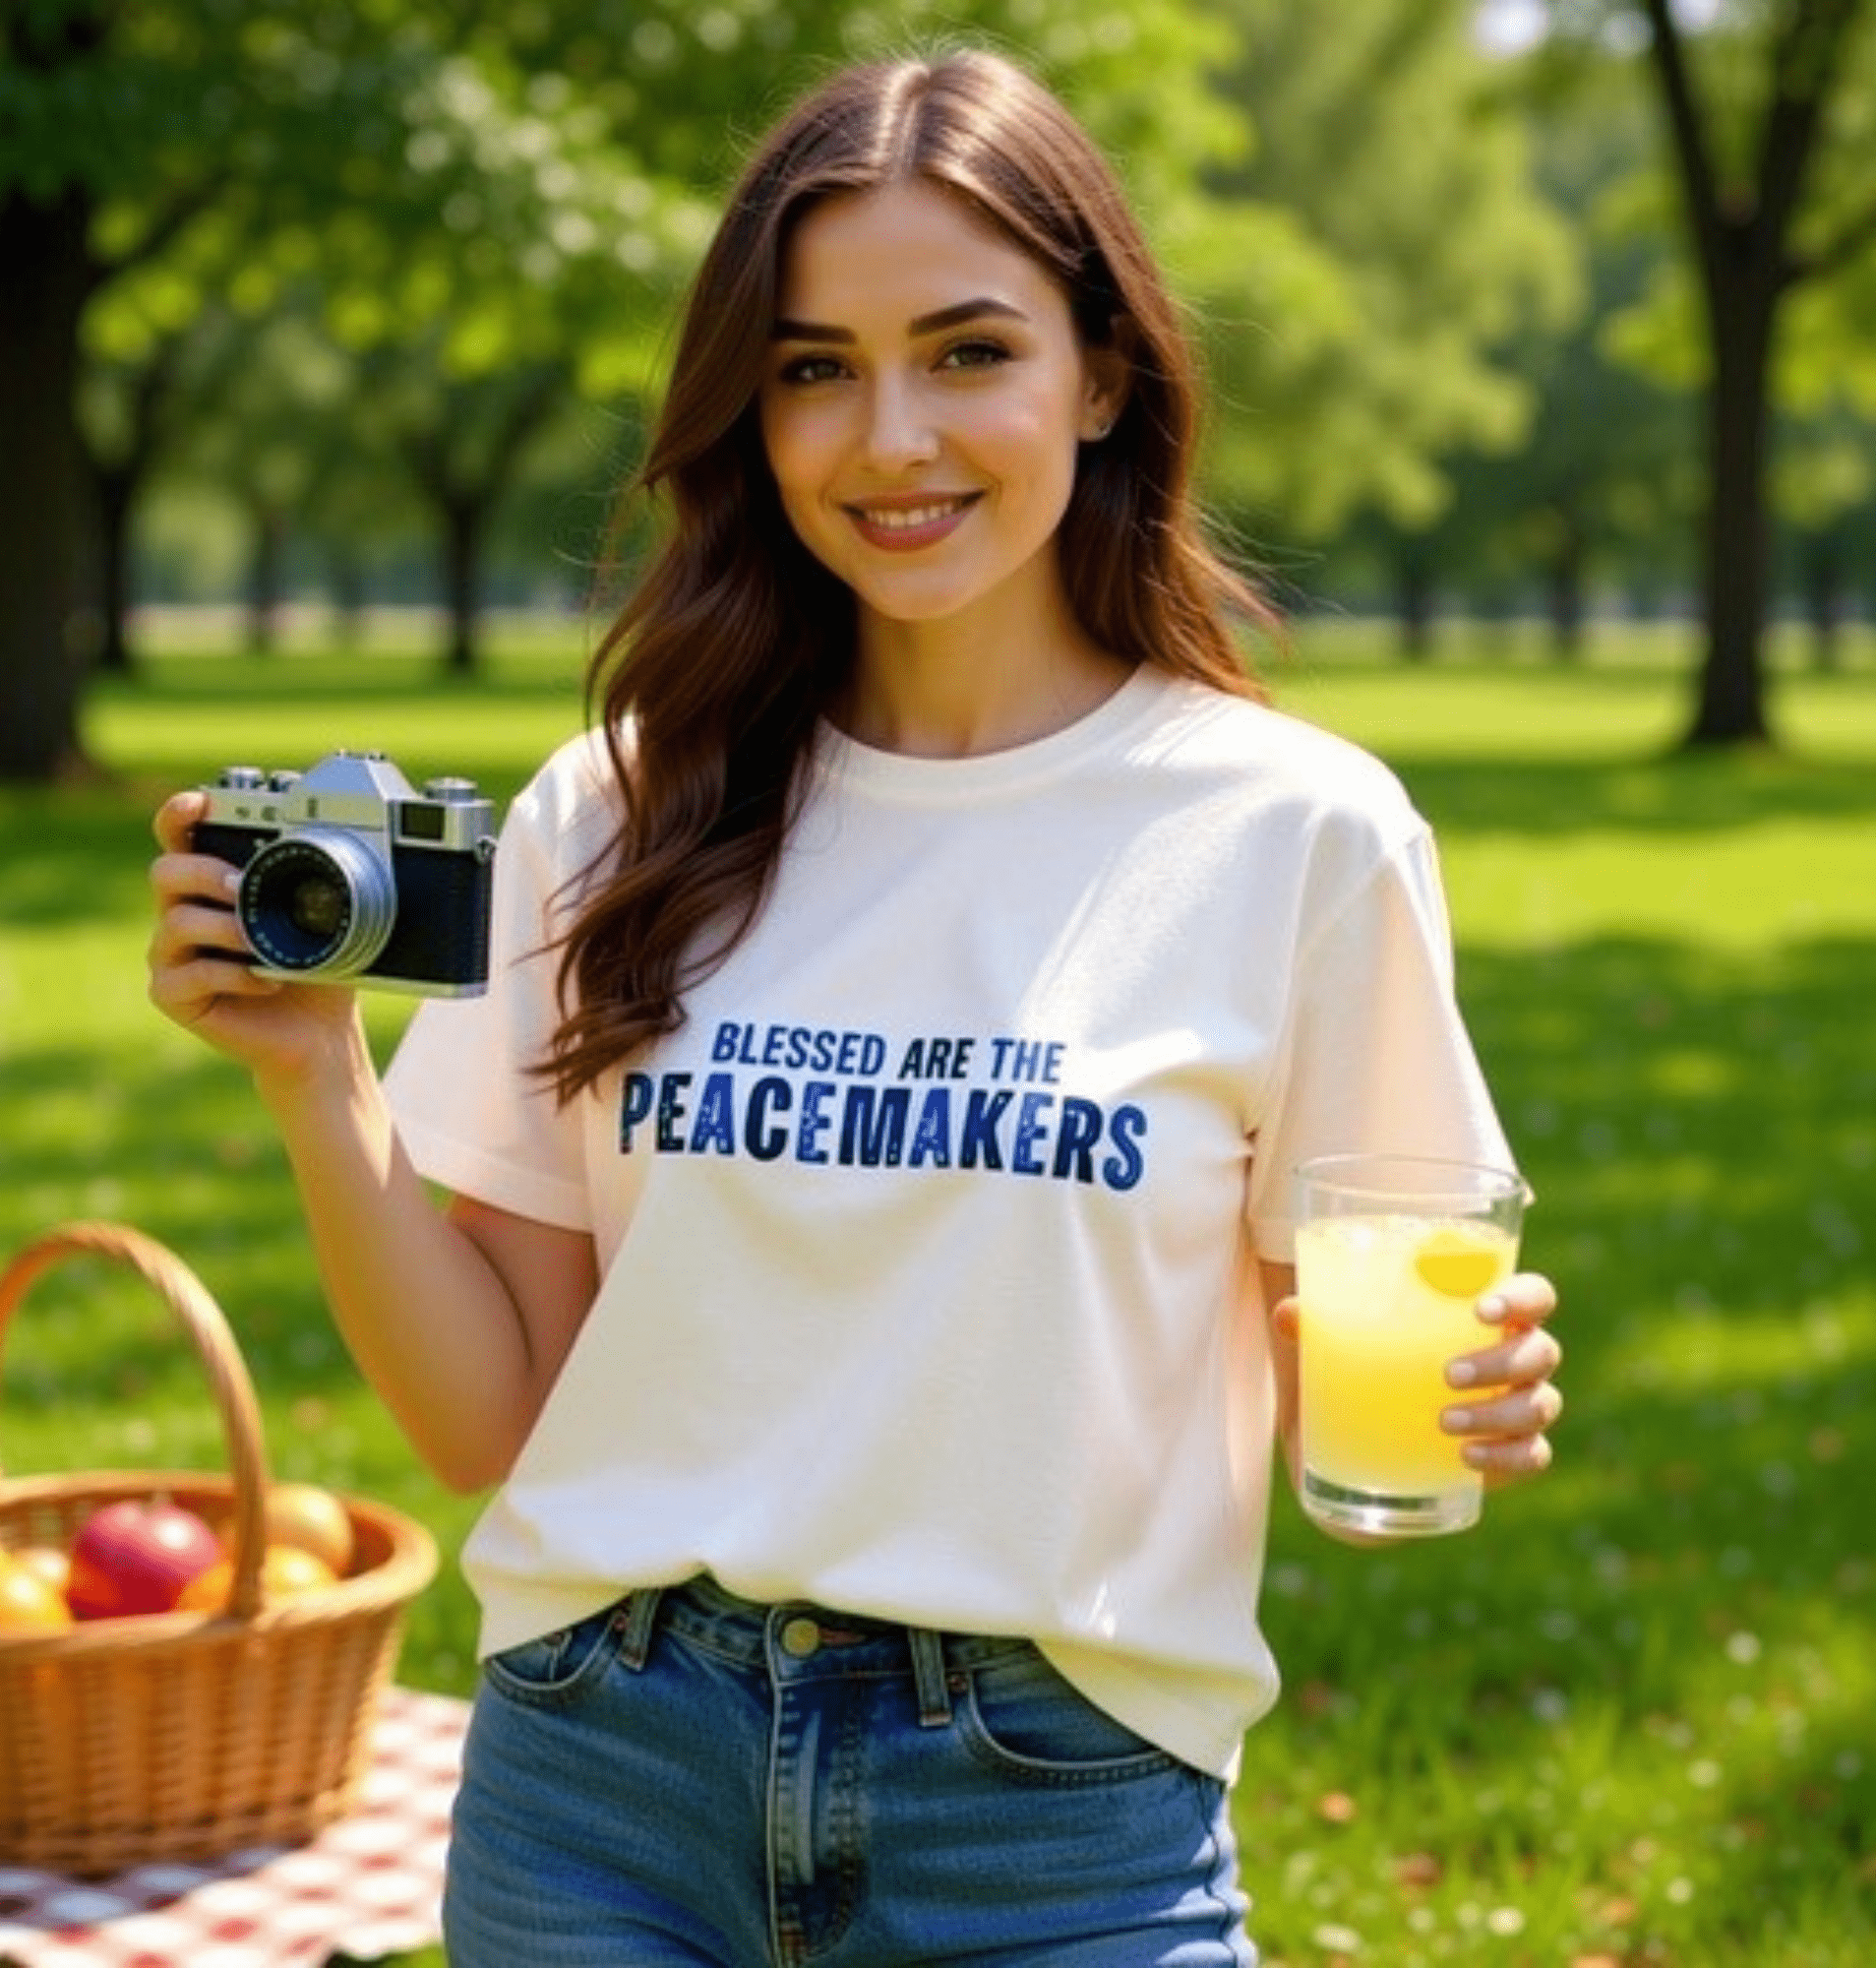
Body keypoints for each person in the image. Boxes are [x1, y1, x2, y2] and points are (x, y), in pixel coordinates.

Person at [149, 47, 1562, 1967]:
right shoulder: (624, 806)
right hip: (601, 1786)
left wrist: (1454, 1401)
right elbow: (484, 1410)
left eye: (967, 350)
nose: (887, 436)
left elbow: (1351, 1374)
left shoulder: (1294, 837)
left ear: (1104, 368)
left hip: (1052, 1819)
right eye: (814, 366)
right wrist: (320, 1082)